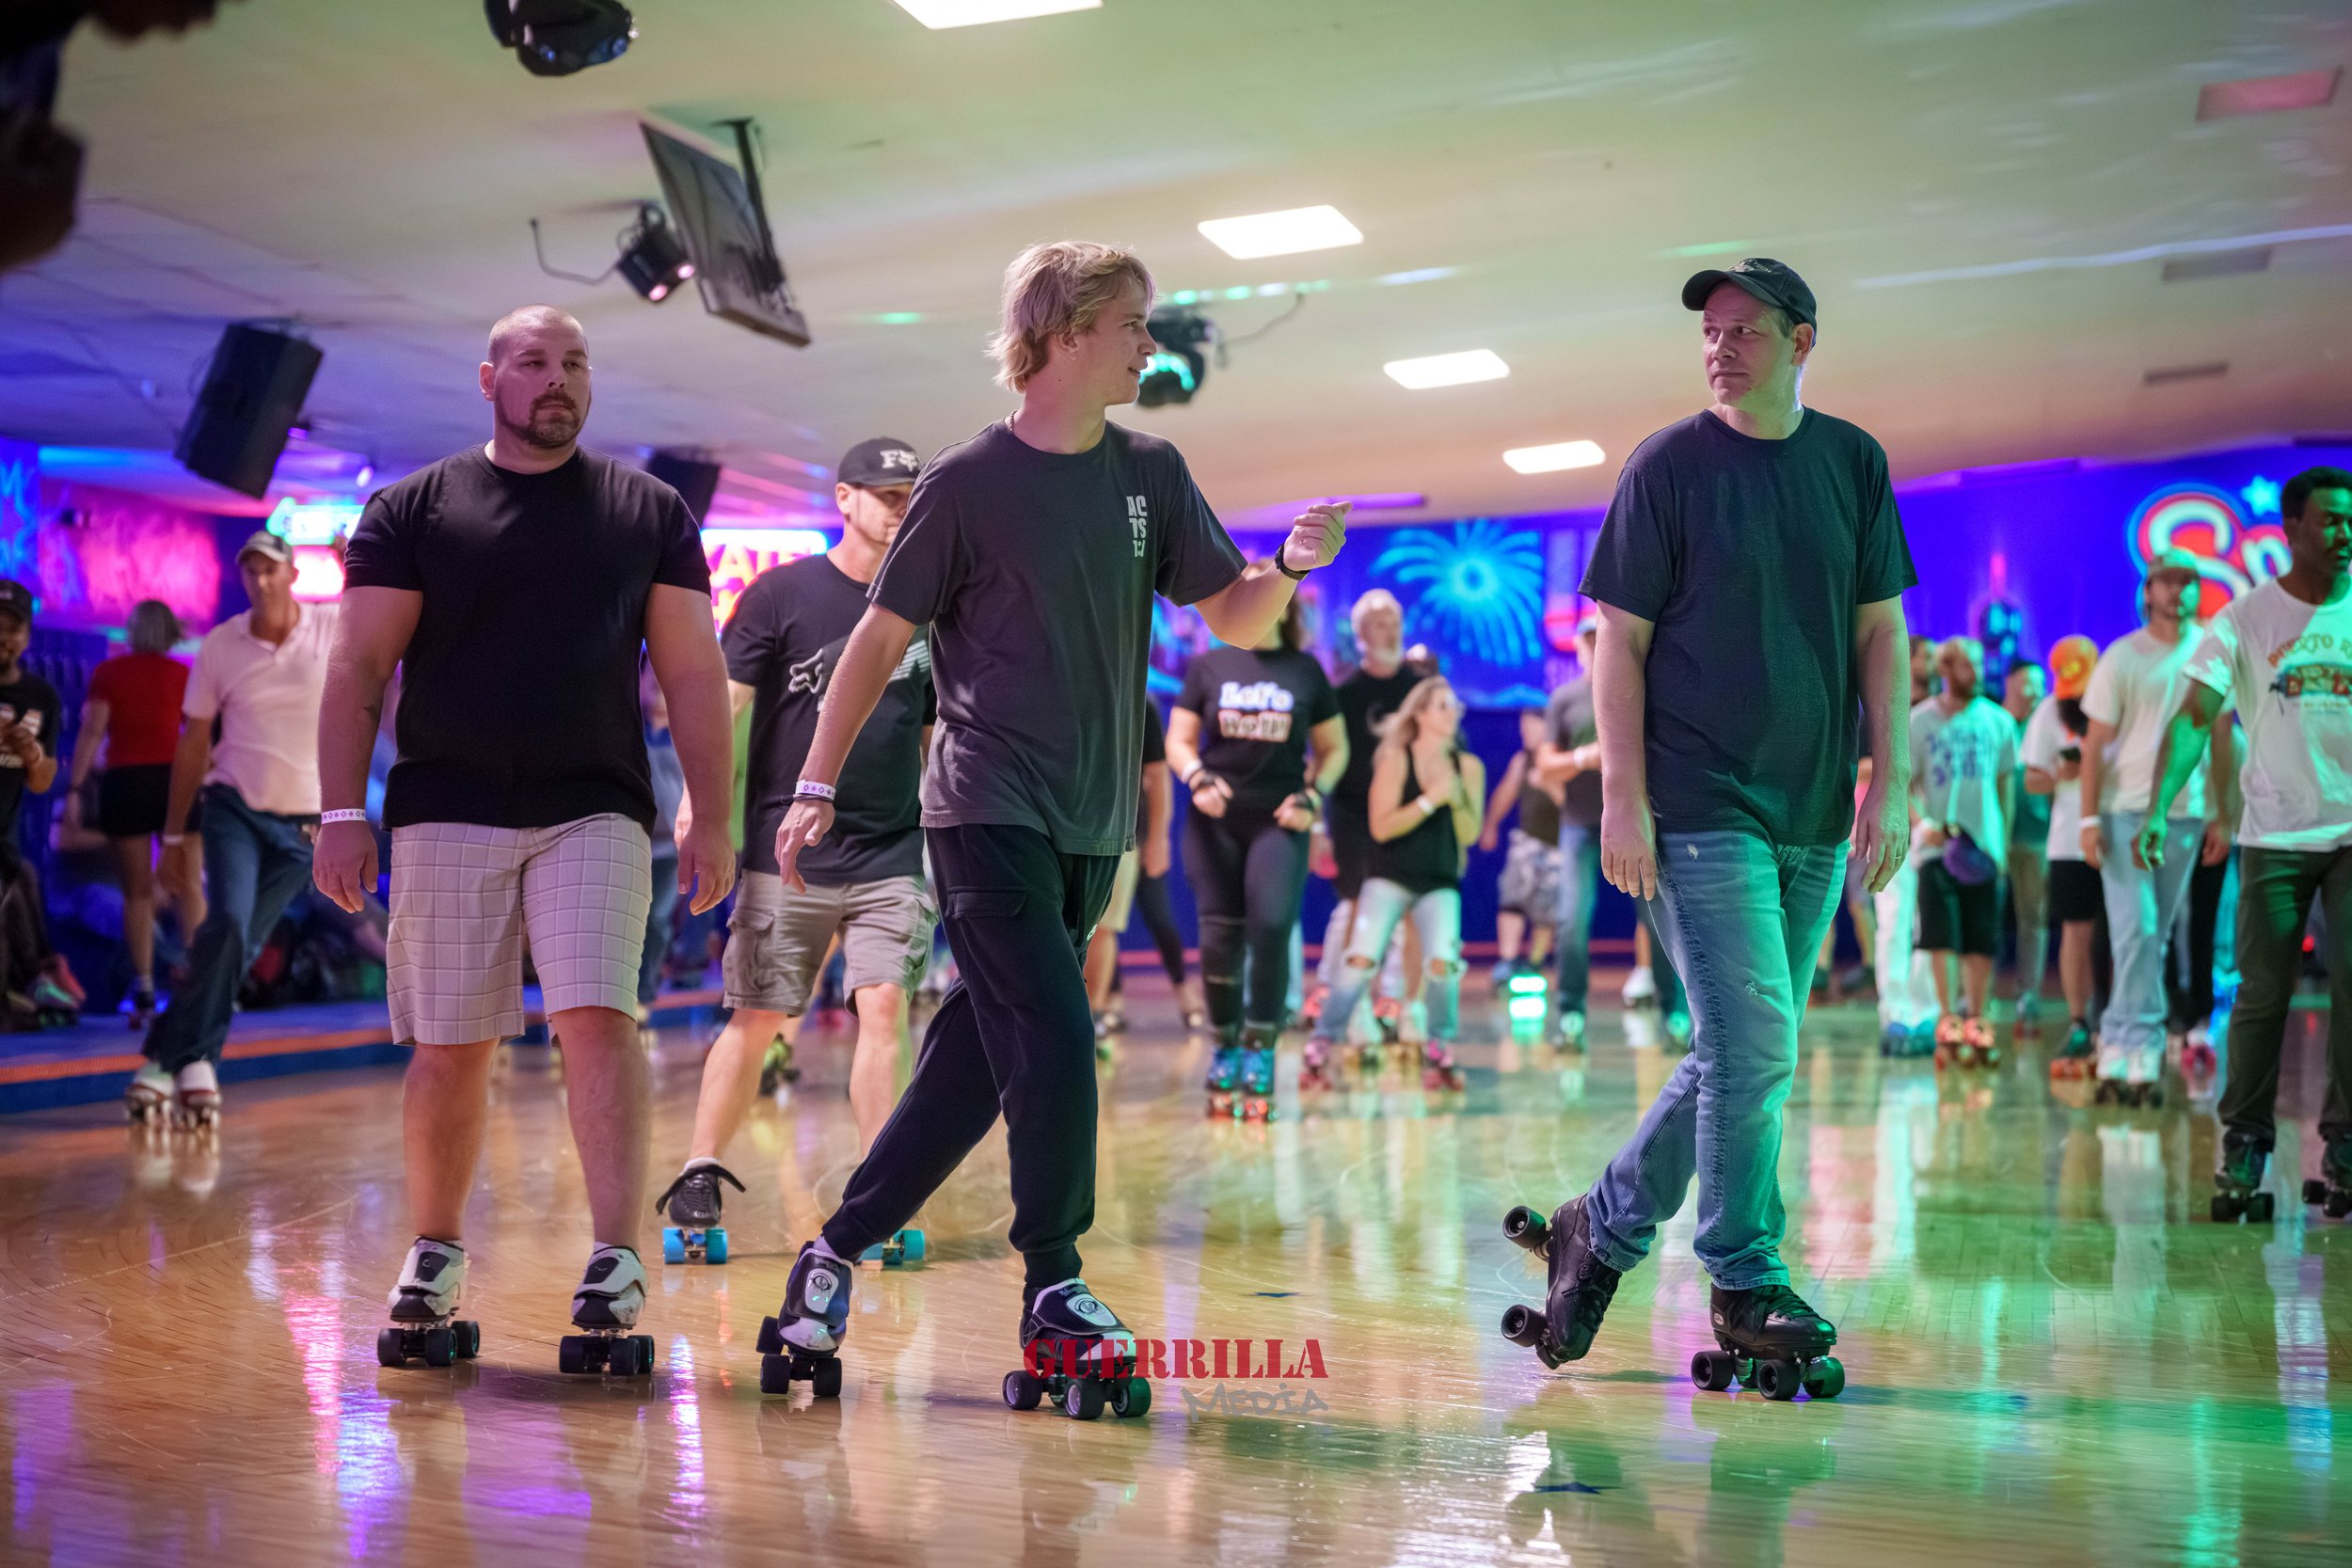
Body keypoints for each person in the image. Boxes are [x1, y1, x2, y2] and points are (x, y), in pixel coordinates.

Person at [756, 241, 1344, 1403]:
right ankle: (1054, 1282)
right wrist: (815, 782)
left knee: (971, 1068)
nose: (1149, 343)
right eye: (1134, 322)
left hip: (1090, 826)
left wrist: (1286, 562)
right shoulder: (966, 483)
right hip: (983, 810)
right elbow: (881, 638)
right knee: (1061, 1032)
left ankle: (830, 1252)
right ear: (1068, 330)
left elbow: (1232, 608)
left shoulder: (1150, 470)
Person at [311, 305, 736, 1371]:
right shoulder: (412, 508)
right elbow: (358, 668)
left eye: (576, 363)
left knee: (598, 1014)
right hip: (446, 803)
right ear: (490, 379)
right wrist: (337, 811)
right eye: (536, 363)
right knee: (452, 1043)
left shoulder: (648, 510)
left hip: (594, 802)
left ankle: (613, 1256)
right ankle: (436, 1251)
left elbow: (691, 673)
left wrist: (713, 813)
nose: (558, 380)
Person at [1511, 259, 1913, 1384]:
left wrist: (1895, 773)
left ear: (1801, 341)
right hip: (1698, 803)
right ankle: (1742, 1271)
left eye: (1744, 329)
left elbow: (1882, 631)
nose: (1720, 346)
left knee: (1737, 1049)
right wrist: (1621, 796)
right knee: (1760, 1043)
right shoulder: (1667, 466)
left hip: (1814, 803)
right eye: (1710, 331)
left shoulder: (1851, 462)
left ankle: (1599, 1224)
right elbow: (1618, 646)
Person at [653, 436, 937, 1258]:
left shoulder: (923, 605)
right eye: (884, 493)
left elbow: (927, 736)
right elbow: (725, 706)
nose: (898, 506)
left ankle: (881, 1186)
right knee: (759, 1015)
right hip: (791, 853)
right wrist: (699, 804)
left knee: (884, 1007)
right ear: (843, 499)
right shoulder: (781, 595)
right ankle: (701, 1169)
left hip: (891, 848)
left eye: (908, 494)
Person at [2136, 467, 2350, 1214]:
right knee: (2262, 994)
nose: (2345, 533)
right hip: (2276, 833)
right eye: (2330, 520)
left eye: (2351, 521)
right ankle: (2245, 1144)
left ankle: (2346, 1145)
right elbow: (2196, 718)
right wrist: (2160, 806)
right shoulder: (2247, 617)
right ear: (2292, 528)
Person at [123, 536, 333, 1123]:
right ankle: (200, 1065)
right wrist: (170, 835)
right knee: (229, 924)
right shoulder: (222, 643)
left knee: (234, 950)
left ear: (292, 573)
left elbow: (376, 672)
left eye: (271, 570)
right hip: (233, 806)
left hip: (304, 826)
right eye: (250, 571)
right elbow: (193, 740)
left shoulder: (332, 627)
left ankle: (167, 1062)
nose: (261, 581)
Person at [1168, 593, 1344, 1106]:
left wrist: (1313, 797)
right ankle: (1224, 1046)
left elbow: (1335, 750)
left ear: (1286, 608)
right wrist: (1197, 778)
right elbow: (1180, 741)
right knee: (1220, 934)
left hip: (1279, 819)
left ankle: (1260, 1048)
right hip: (1215, 818)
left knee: (1269, 927)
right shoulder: (1208, 666)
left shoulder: (1305, 670)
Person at [1303, 673, 1482, 1088]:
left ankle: (1439, 1049)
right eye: (1442, 705)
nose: (1452, 713)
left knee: (1443, 962)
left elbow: (1470, 833)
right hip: (1390, 874)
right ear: (1419, 714)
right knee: (1360, 959)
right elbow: (1381, 827)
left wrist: (1454, 801)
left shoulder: (1467, 766)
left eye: (1455, 706)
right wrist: (1428, 800)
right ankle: (1321, 1044)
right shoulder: (1395, 757)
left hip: (1439, 879)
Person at [2077, 546, 2211, 1103]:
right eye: (2168, 581)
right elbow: (2094, 746)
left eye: (2188, 581)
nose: (2178, 592)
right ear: (2149, 590)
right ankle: (2135, 1038)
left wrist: (2224, 810)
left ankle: (2124, 1040)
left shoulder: (2210, 651)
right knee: (2136, 928)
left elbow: (2220, 734)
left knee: (2154, 937)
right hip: (2124, 809)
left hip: (2187, 811)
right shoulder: (2123, 656)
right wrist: (2087, 817)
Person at [1538, 612, 1689, 1050]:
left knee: (1658, 921)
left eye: (1598, 638)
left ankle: (1675, 1015)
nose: (1592, 647)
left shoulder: (1636, 692)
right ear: (1579, 650)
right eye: (1585, 641)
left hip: (1640, 821)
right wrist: (1585, 758)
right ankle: (1570, 1017)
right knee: (1571, 919)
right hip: (1579, 827)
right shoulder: (1565, 699)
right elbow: (1545, 764)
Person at [65, 597, 204, 1025]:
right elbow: (196, 736)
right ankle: (200, 984)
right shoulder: (183, 673)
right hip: (173, 783)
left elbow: (92, 732)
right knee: (189, 885)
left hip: (124, 783)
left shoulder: (109, 673)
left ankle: (144, 987)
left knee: (137, 893)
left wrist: (74, 788)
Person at [1312, 590, 1421, 1033]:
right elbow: (1320, 759)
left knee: (1414, 910)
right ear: (1359, 635)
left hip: (1410, 816)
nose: (1389, 629)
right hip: (1354, 815)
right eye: (1378, 622)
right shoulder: (1342, 693)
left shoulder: (1420, 689)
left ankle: (1403, 1008)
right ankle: (1353, 1007)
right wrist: (1319, 824)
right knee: (1359, 909)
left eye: (1394, 620)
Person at [1909, 636, 2018, 1064]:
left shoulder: (1998, 721)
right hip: (1939, 847)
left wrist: (2003, 841)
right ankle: (1947, 1015)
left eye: (1978, 664)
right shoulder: (1920, 722)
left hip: (1984, 846)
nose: (1975, 672)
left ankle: (1978, 1016)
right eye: (1965, 665)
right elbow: (1902, 783)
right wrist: (1924, 825)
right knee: (1942, 935)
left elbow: (2006, 783)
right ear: (1946, 670)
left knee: (1980, 937)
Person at [2022, 635, 2108, 1075]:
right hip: (2068, 840)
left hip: (2115, 831)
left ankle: (2112, 1020)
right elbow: (2033, 780)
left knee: (2117, 932)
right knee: (2075, 931)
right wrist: (2063, 771)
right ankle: (2078, 1019)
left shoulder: (2113, 700)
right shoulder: (2049, 711)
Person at [1084, 702, 1177, 1041]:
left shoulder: (1138, 701)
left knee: (1104, 928)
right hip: (1054, 828)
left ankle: (1093, 1013)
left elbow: (1157, 773)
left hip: (1118, 833)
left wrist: (1159, 838)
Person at [0, 578, 70, 1022]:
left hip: (5, 836)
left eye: (13, 629)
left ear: (26, 636)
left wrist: (31, 753)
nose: (4, 638)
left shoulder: (40, 697)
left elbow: (43, 781)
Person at [1480, 709, 1562, 988]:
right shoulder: (1522, 760)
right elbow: (1505, 793)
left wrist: (1549, 783)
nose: (1525, 732)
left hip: (1558, 847)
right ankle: (1507, 959)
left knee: (1546, 908)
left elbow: (1574, 806)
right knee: (1512, 895)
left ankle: (1535, 963)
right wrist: (1490, 825)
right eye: (1522, 727)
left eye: (1531, 727)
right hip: (1527, 841)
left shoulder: (1560, 757)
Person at [2002, 658, 2051, 1035]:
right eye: (2025, 684)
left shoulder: (2048, 725)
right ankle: (1973, 998)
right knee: (1984, 918)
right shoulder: (1995, 722)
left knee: (2033, 918)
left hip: (2035, 839)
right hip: (1991, 839)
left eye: (2038, 684)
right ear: (2009, 684)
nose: (2032, 692)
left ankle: (2028, 991)